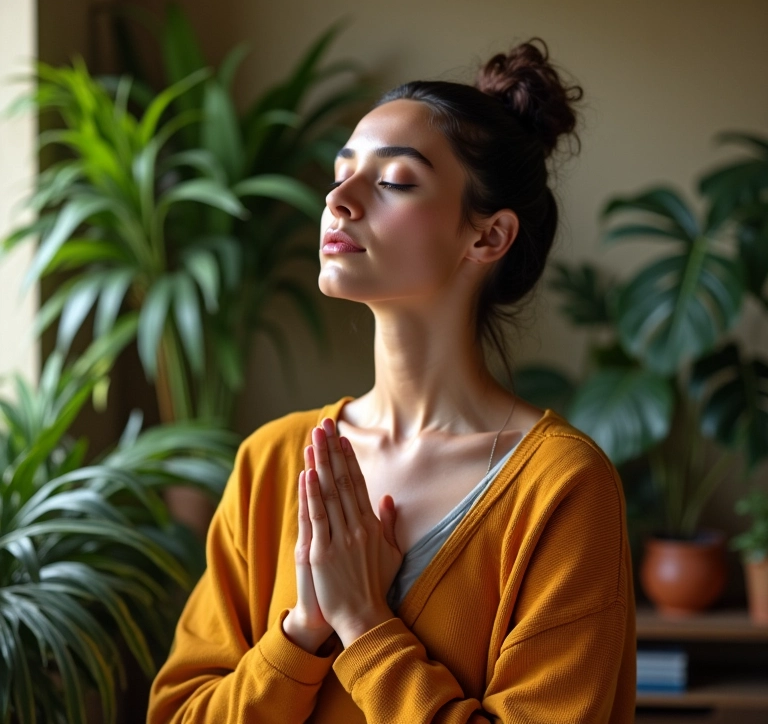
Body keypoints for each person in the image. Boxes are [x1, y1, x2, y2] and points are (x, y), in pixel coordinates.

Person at [147, 38, 637, 723]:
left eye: (395, 181)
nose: (338, 200)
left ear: (489, 237)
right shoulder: (270, 464)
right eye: (341, 173)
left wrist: (364, 625)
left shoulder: (560, 489)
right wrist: (303, 633)